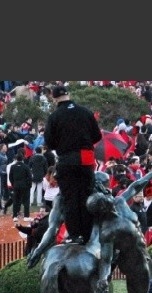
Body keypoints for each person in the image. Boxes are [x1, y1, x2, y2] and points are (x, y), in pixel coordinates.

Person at [45, 84, 102, 244]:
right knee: (86, 196)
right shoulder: (85, 112)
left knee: (70, 198)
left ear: (54, 98)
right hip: (85, 159)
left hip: (66, 160)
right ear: (68, 95)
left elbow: (49, 142)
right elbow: (97, 136)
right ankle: (88, 234)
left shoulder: (55, 117)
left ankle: (75, 234)